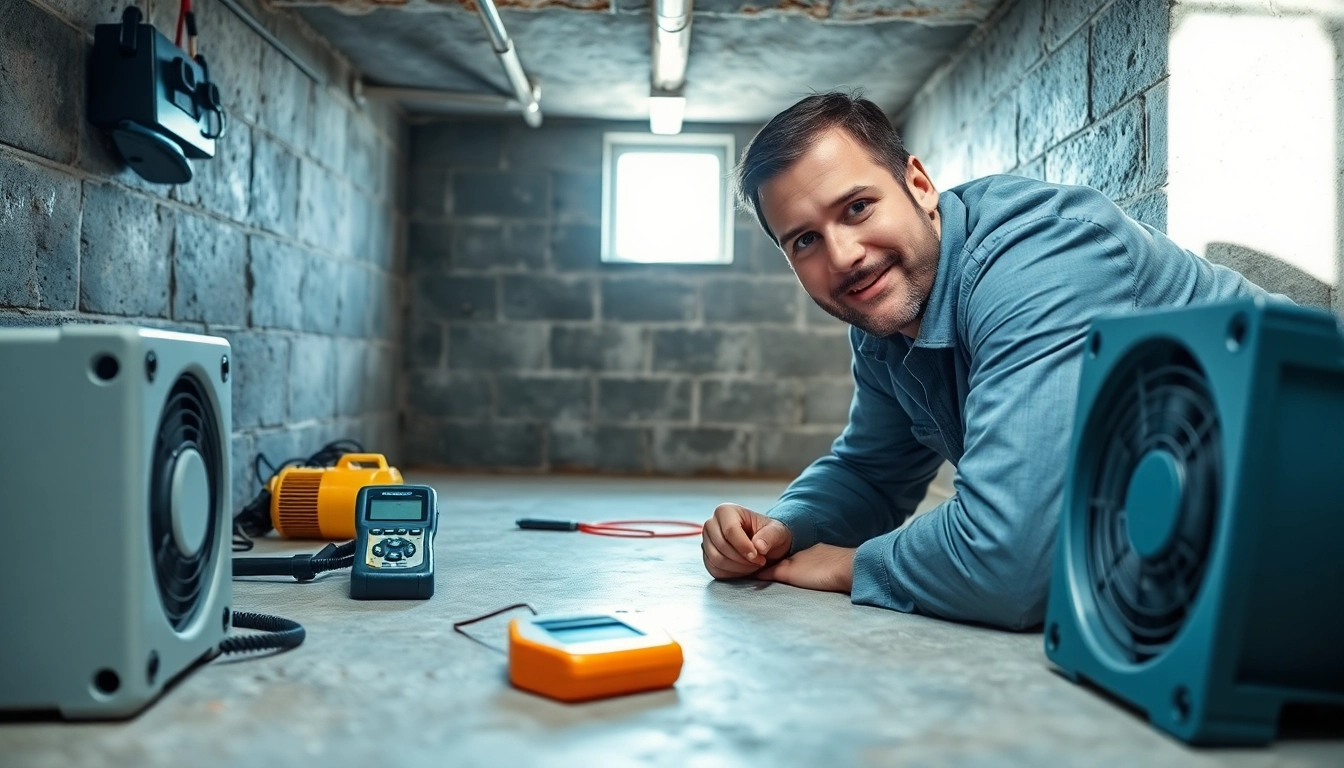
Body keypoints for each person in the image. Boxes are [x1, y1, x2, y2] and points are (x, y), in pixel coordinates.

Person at [701, 91, 1276, 630]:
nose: (844, 256)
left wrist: (849, 564)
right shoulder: (887, 317)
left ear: (919, 185)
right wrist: (785, 527)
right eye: (804, 240)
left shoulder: (1040, 261)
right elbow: (871, 470)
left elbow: (1012, 557)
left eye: (857, 207)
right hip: (1208, 548)